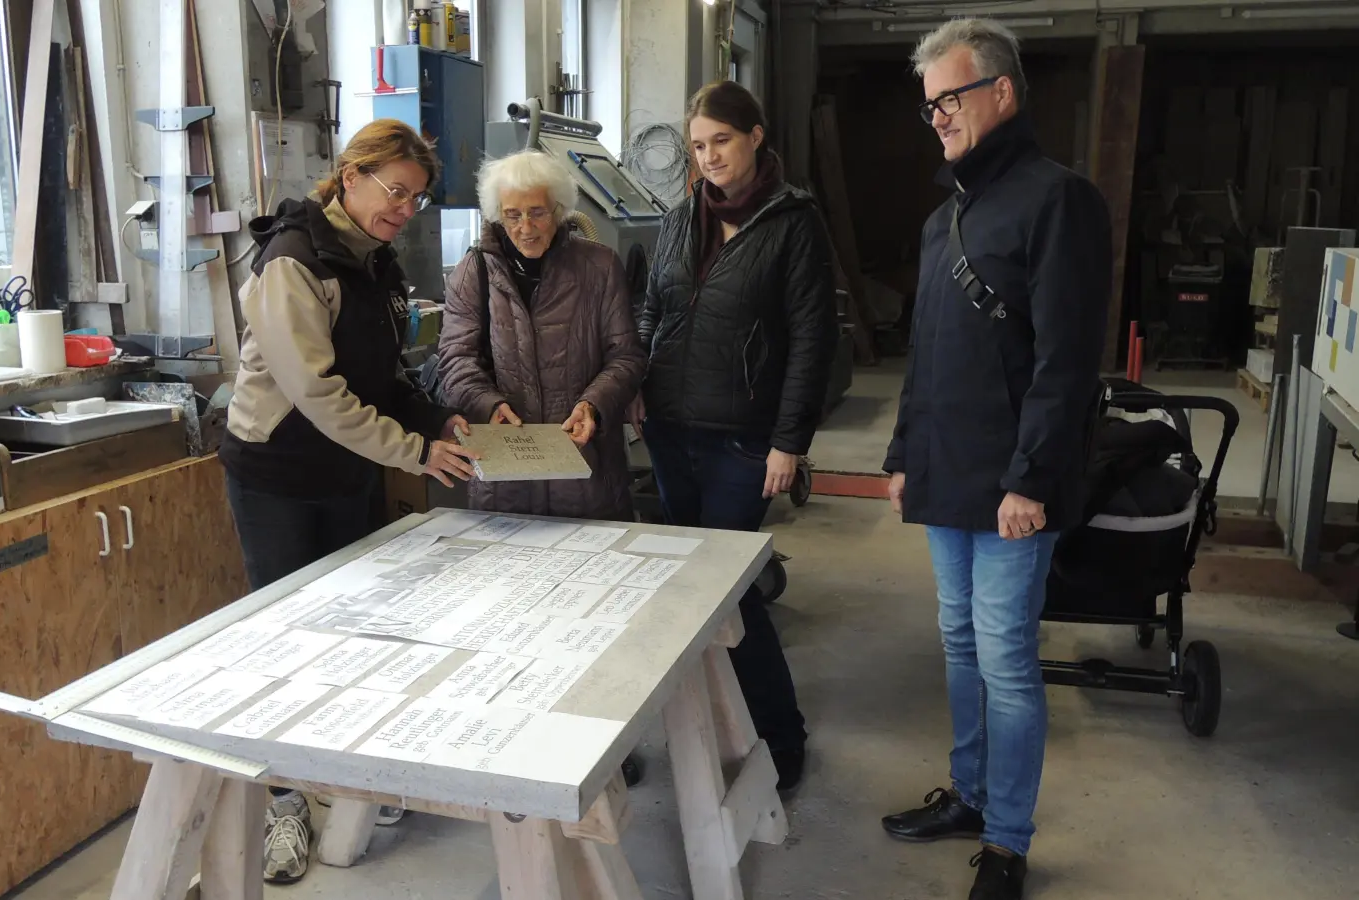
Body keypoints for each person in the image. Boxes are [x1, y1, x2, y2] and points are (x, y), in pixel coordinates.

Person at [878, 19, 1112, 900]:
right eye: (929, 104)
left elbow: (1066, 361)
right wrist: (903, 454)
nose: (937, 116)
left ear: (1001, 93)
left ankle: (1008, 841)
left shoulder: (1061, 200)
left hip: (1014, 483)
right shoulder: (949, 217)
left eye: (951, 97)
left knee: (1007, 658)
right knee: (960, 644)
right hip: (945, 474)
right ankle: (971, 797)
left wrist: (1030, 478)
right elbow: (928, 352)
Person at [219, 117, 481, 884]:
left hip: (347, 472)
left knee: (364, 634)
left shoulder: (374, 262)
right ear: (351, 174)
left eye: (415, 200)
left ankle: (361, 779)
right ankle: (287, 803)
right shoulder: (292, 261)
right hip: (281, 475)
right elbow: (319, 397)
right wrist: (416, 453)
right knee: (289, 645)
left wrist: (434, 417)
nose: (401, 209)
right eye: (393, 192)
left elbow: (385, 377)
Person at [632, 81, 835, 792]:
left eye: (721, 139)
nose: (710, 155)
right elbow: (652, 307)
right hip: (670, 430)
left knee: (731, 592)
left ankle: (782, 738)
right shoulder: (683, 216)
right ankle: (710, 724)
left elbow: (814, 339)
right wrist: (638, 382)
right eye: (698, 145)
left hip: (742, 439)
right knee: (689, 589)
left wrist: (790, 440)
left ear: (754, 136)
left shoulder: (794, 222)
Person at [437, 149, 647, 520]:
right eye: (512, 215)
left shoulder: (599, 267)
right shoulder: (475, 271)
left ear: (559, 209)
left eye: (537, 212)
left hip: (586, 469)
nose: (525, 227)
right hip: (505, 474)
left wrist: (593, 404)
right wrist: (488, 404)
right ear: (498, 215)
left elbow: (626, 355)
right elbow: (456, 359)